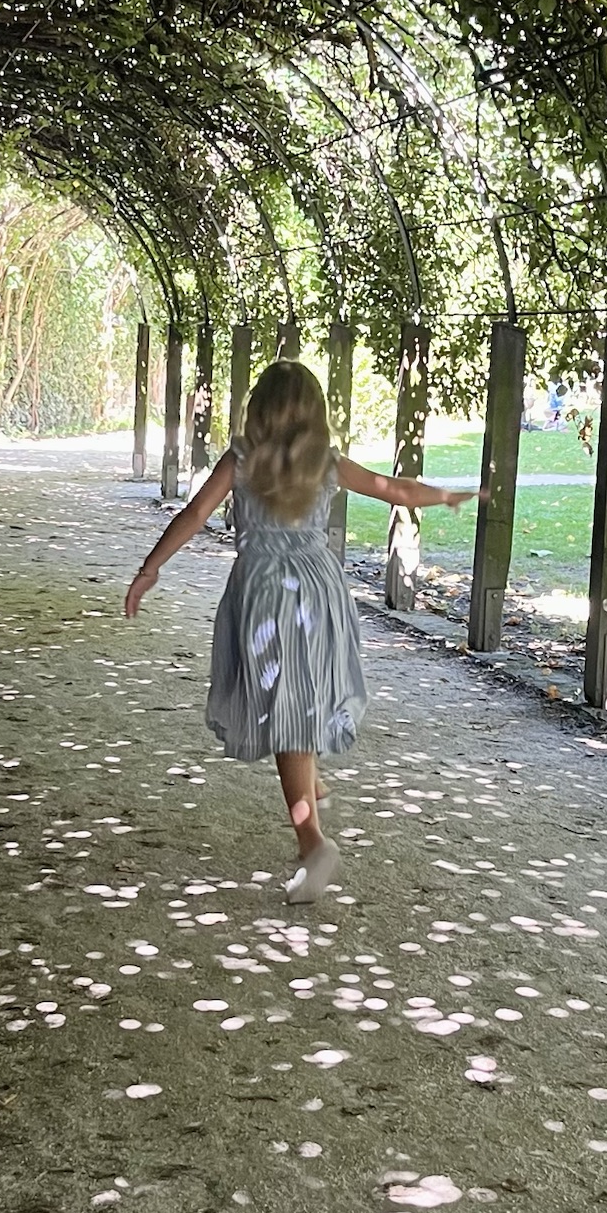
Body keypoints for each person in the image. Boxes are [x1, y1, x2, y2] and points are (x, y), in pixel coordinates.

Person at [123, 359, 478, 905]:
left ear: (258, 410)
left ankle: (314, 845)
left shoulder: (241, 459)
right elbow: (395, 490)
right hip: (318, 591)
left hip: (265, 596)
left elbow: (195, 514)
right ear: (316, 415)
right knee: (300, 698)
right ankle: (309, 787)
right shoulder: (327, 463)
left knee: (285, 719)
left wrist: (151, 568)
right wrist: (446, 496)